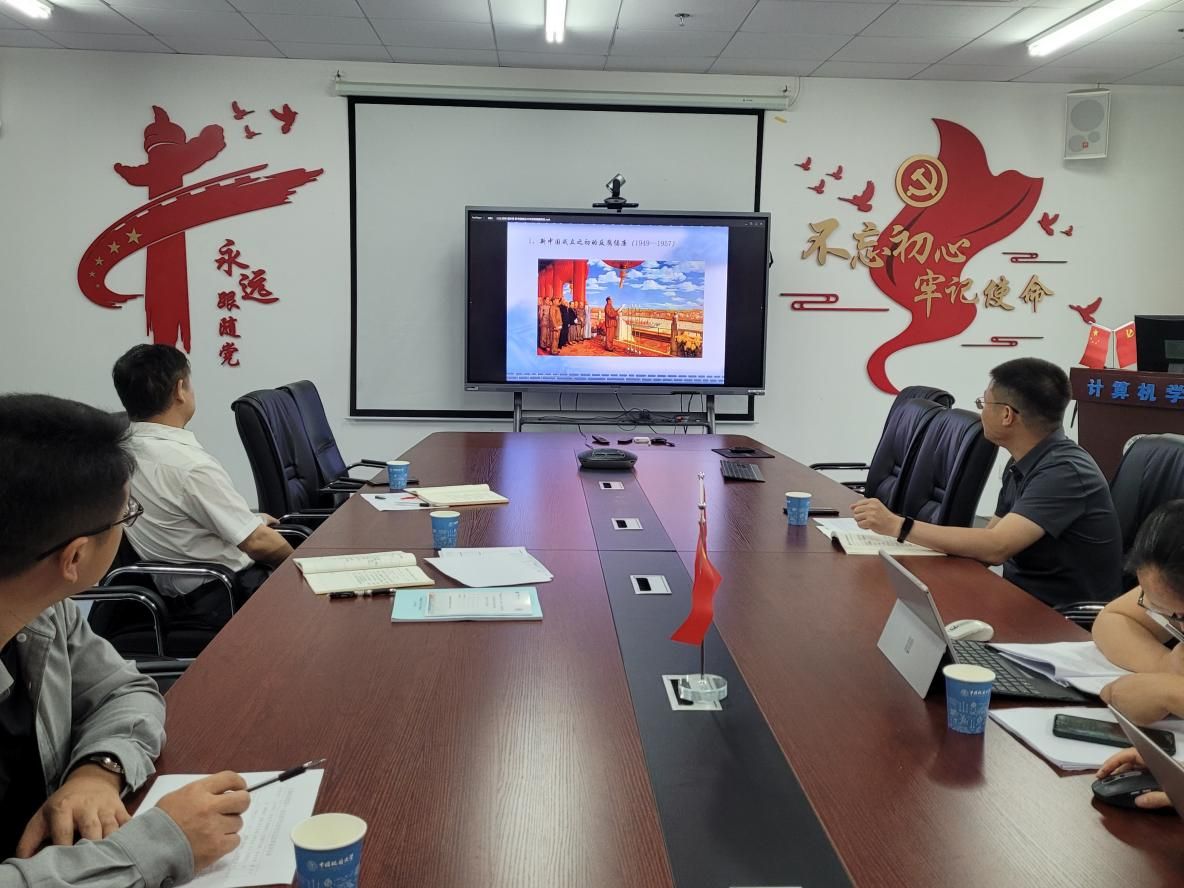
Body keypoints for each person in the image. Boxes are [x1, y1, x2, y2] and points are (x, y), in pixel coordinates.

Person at [0, 393, 249, 885]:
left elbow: (124, 690)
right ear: (75, 558)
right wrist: (155, 847)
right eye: (127, 515)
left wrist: (99, 769)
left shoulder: (46, 612)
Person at [852, 357, 1122, 608]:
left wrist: (899, 526)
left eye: (984, 404)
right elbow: (988, 540)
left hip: (1059, 617)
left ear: (1006, 415)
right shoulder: (1024, 460)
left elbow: (997, 547)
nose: (980, 413)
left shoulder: (1064, 472)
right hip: (1019, 599)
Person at [112, 345, 292, 601]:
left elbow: (180, 516)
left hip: (178, 586)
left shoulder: (121, 450)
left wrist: (250, 520)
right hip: (225, 593)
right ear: (180, 390)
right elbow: (257, 543)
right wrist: (302, 569)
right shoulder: (189, 466)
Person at [1092, 500, 1184, 726]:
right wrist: (1165, 666)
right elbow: (1114, 619)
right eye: (1169, 614)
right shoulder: (1166, 576)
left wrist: (1171, 693)